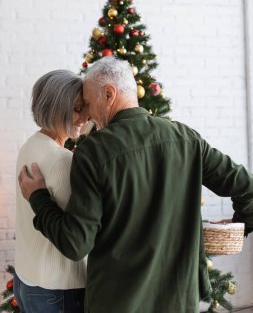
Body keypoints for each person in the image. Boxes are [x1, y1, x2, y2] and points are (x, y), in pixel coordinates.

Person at [18, 57, 253, 313]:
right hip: (180, 299)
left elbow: (75, 244)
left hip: (118, 302)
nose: (87, 116)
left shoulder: (93, 152)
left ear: (109, 94)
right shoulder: (187, 138)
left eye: (87, 103)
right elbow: (246, 187)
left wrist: (39, 198)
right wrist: (241, 225)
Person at [14, 70, 90, 313]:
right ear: (55, 108)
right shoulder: (62, 160)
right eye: (77, 108)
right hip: (58, 289)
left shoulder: (32, 144)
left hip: (27, 279)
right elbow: (75, 236)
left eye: (85, 106)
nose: (85, 116)